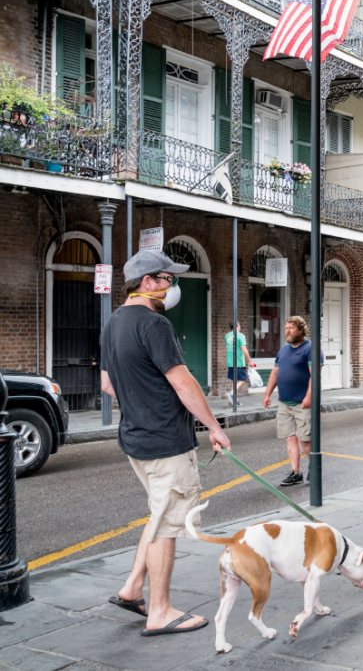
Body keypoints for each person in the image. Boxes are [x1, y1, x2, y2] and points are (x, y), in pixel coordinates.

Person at [100, 250, 231, 636]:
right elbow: (182, 381)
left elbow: (108, 385)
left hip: (136, 439)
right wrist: (214, 428)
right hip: (166, 443)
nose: (173, 286)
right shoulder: (155, 326)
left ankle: (131, 589)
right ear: (148, 283)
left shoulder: (113, 322)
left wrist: (139, 399)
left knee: (158, 513)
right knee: (168, 525)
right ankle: (159, 611)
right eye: (168, 279)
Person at [262, 316, 321, 487]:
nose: (287, 331)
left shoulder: (311, 349)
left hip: (303, 402)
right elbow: (274, 374)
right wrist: (267, 395)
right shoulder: (284, 350)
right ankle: (296, 473)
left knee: (305, 439)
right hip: (284, 402)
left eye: (291, 328)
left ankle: (314, 468)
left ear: (302, 329)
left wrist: (309, 396)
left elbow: (315, 375)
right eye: (286, 328)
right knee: (291, 438)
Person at [224, 321, 252, 406]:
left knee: (234, 380)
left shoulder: (227, 336)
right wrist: (249, 361)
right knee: (243, 379)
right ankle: (231, 393)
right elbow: (243, 349)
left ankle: (235, 400)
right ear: (237, 326)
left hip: (230, 361)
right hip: (238, 362)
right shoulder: (240, 336)